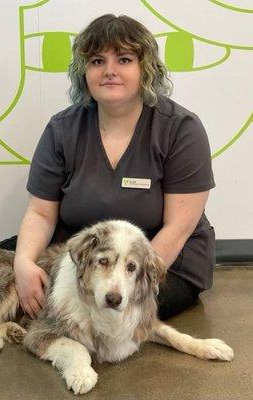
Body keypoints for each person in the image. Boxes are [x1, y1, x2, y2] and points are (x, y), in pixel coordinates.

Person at [13, 14, 215, 321]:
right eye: (97, 61)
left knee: (109, 313)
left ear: (145, 69)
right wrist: (24, 264)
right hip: (91, 253)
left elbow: (179, 227)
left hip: (162, 263)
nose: (109, 71)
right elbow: (41, 213)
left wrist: (121, 286)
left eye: (123, 59)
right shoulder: (62, 128)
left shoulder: (181, 129)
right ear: (84, 72)